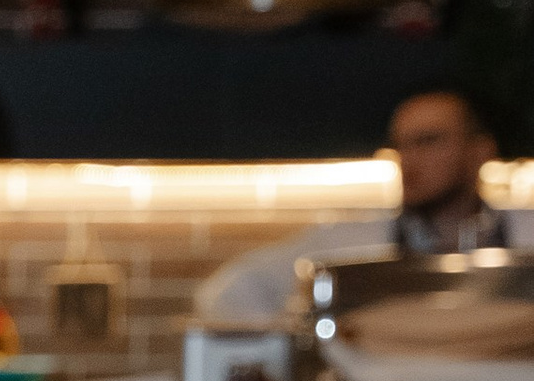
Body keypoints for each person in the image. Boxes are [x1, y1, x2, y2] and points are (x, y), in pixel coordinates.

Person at [194, 85, 519, 328]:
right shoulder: (346, 245)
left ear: (481, 151)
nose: (409, 161)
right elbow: (228, 294)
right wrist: (296, 346)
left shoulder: (527, 235)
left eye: (427, 141)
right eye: (401, 147)